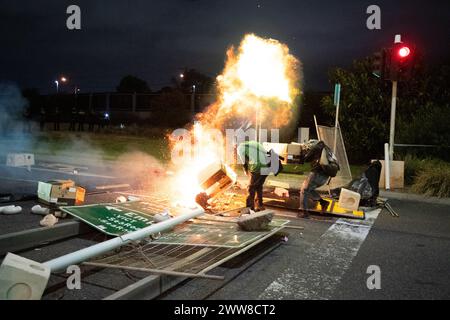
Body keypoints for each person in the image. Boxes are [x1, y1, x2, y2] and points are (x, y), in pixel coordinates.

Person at [299, 140, 340, 217]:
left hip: (316, 174)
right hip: (325, 176)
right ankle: (323, 202)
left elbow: (306, 159)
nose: (307, 150)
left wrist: (302, 154)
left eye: (308, 149)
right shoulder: (326, 149)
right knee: (308, 189)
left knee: (304, 191)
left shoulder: (317, 147)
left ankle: (303, 212)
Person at [237, 140, 270, 211]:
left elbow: (244, 162)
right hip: (267, 166)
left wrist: (246, 171)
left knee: (251, 187)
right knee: (258, 186)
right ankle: (260, 205)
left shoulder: (240, 148)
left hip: (258, 167)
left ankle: (249, 207)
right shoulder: (254, 144)